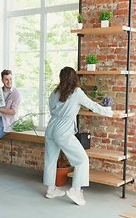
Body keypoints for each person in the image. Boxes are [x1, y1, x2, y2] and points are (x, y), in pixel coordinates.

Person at [43, 66, 123, 206]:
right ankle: (75, 190)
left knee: (50, 160)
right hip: (63, 131)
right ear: (74, 78)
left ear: (62, 78)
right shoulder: (77, 92)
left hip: (51, 128)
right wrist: (112, 113)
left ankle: (51, 190)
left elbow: (54, 110)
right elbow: (93, 106)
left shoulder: (55, 92)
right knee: (82, 160)